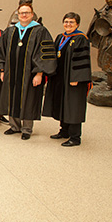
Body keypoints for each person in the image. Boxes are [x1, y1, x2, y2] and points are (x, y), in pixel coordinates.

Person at [0, 1, 57, 140]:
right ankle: (14, 126)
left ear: (32, 15)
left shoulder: (40, 31)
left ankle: (27, 129)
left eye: (27, 13)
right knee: (12, 97)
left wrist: (39, 73)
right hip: (11, 73)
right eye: (21, 13)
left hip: (30, 74)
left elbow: (44, 53)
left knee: (29, 99)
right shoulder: (11, 31)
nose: (24, 15)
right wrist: (2, 70)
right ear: (17, 14)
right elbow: (1, 51)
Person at [43, 12, 91, 147]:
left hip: (73, 79)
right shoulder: (60, 37)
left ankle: (75, 137)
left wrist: (76, 78)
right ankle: (64, 131)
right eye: (66, 21)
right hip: (60, 78)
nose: (68, 24)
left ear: (77, 24)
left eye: (71, 22)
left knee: (73, 106)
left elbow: (82, 60)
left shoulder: (81, 38)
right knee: (63, 104)